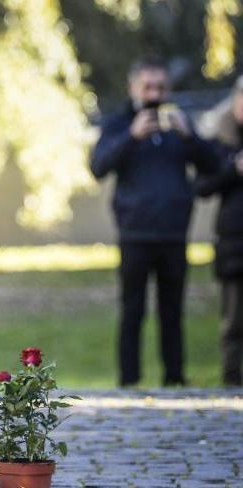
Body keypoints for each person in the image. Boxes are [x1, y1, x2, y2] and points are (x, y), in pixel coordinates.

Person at [90, 56, 218, 388]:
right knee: (132, 311)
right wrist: (131, 137)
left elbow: (212, 166)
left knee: (172, 312)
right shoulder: (118, 124)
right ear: (133, 87)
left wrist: (189, 136)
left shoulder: (179, 124)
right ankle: (129, 381)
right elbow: (98, 166)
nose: (154, 93)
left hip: (174, 233)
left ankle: (174, 378)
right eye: (148, 86)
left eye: (160, 87)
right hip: (135, 233)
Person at [195, 76, 243, 387]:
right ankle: (232, 382)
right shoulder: (219, 143)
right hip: (235, 244)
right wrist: (233, 170)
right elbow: (202, 186)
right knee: (234, 321)